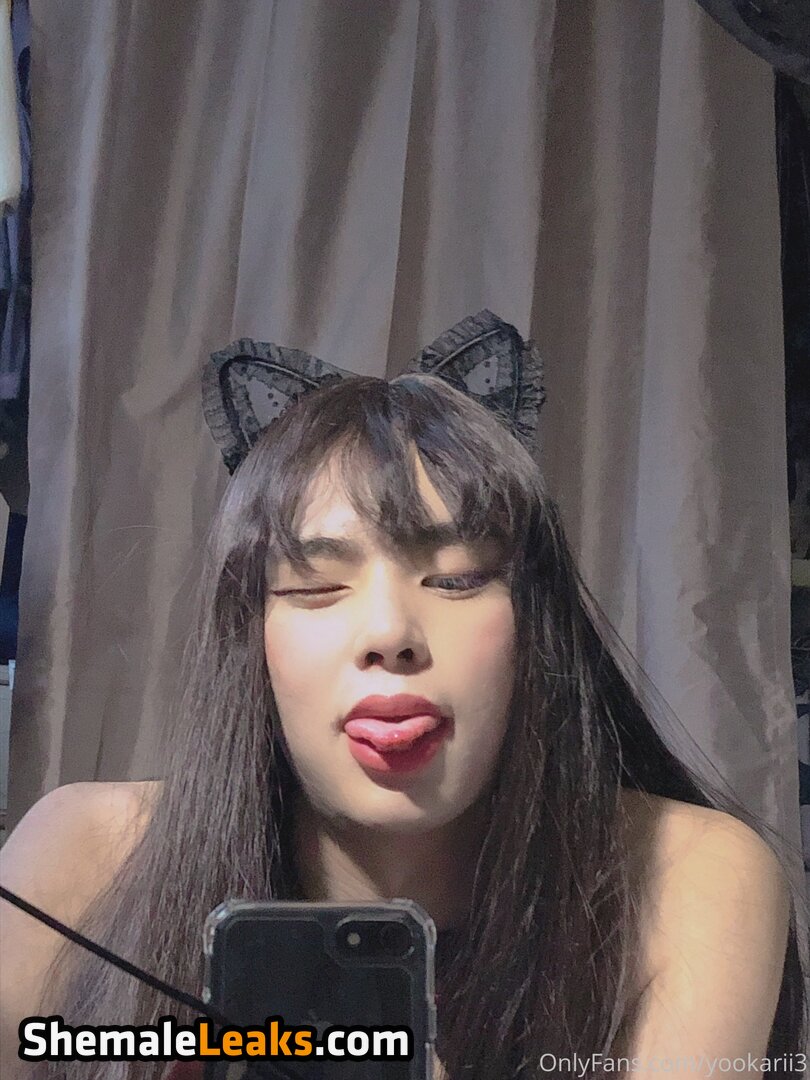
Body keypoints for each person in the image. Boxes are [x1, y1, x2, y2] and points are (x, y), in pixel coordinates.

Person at [0, 312, 807, 1079]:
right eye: (315, 586)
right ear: (250, 635)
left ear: (537, 623)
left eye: (456, 578)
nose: (390, 631)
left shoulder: (688, 875)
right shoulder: (80, 861)